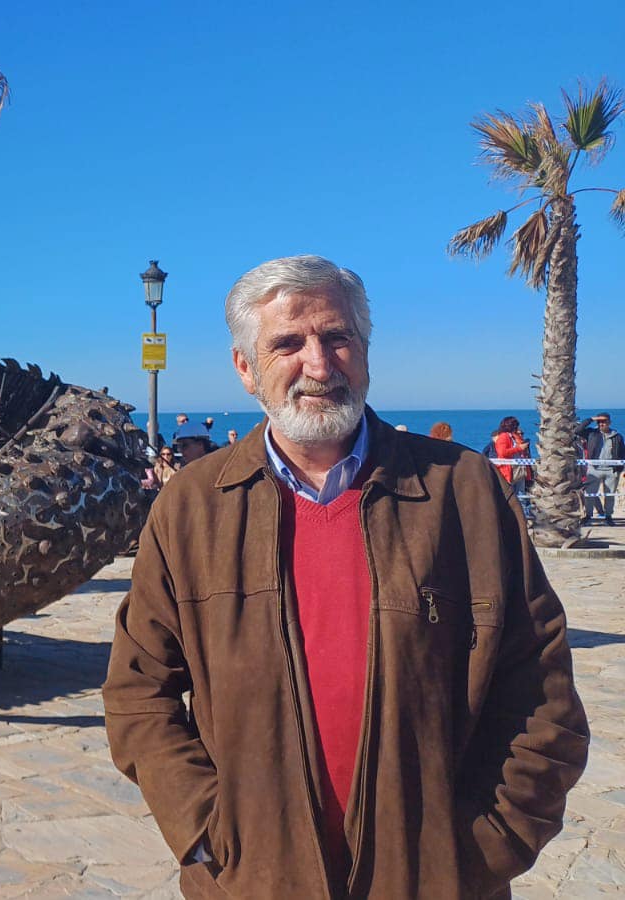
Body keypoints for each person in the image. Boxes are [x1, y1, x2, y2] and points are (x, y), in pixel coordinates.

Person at [105, 255, 587, 898]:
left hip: (436, 879)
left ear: (364, 351)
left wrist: (489, 846)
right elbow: (139, 692)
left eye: (337, 338)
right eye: (287, 344)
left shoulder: (464, 491)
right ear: (245, 368)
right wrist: (205, 831)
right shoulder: (191, 507)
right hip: (250, 881)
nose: (319, 364)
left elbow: (540, 683)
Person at [582, 412, 623, 525]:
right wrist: (592, 418)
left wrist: (619, 469)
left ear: (609, 422)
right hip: (594, 469)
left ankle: (608, 516)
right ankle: (588, 516)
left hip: (611, 470)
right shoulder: (591, 433)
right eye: (599, 422)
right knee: (590, 494)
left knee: (609, 495)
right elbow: (577, 430)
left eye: (604, 421)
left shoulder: (617, 436)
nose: (601, 424)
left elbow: (622, 453)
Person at [489, 416, 531, 495]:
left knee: (520, 493)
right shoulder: (503, 437)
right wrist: (519, 448)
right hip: (510, 470)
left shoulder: (513, 436)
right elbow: (502, 452)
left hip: (519, 469)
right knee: (511, 493)